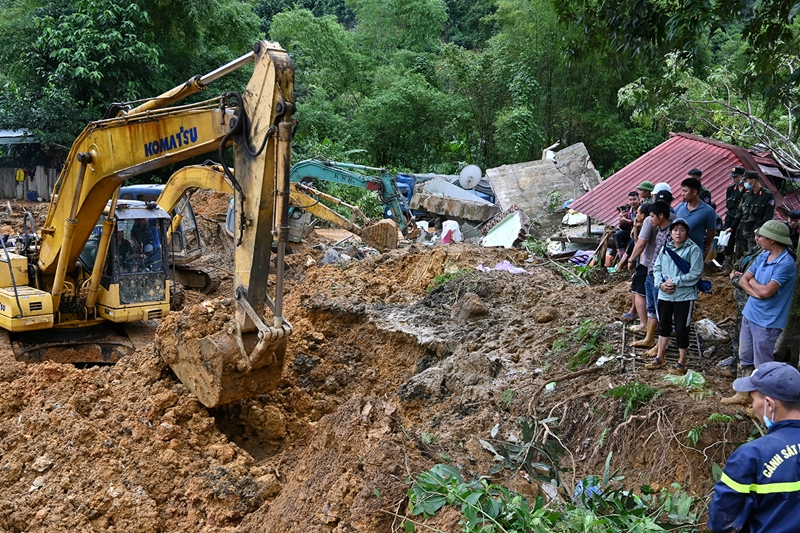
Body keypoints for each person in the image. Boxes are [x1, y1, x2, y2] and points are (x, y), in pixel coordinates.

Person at [708, 362, 800, 533]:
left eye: (752, 399)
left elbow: (723, 523)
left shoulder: (751, 457)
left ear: (769, 404)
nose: (751, 407)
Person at [722, 220, 797, 404]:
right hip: (750, 313)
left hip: (768, 322)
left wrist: (754, 286)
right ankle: (743, 394)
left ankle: (764, 403)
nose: (758, 239)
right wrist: (757, 288)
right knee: (745, 357)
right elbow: (744, 280)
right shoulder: (764, 256)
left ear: (772, 239)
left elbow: (765, 291)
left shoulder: (785, 264)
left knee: (763, 365)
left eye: (761, 236)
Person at [645, 218, 703, 374]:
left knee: (681, 328)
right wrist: (660, 284)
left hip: (684, 296)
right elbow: (656, 268)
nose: (678, 233)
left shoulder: (693, 250)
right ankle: (660, 357)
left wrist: (675, 282)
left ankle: (681, 361)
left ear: (687, 233)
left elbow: (695, 274)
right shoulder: (666, 248)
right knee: (663, 326)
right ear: (670, 233)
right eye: (675, 230)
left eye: (682, 230)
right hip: (665, 295)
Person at [628, 201, 673, 349]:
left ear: (661, 216)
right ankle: (649, 338)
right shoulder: (660, 229)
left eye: (652, 216)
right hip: (651, 271)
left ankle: (660, 346)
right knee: (652, 308)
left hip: (661, 276)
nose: (650, 219)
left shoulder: (672, 232)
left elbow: (667, 258)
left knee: (661, 311)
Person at [734, 170, 775, 262]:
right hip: (742, 229)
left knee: (752, 256)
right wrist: (732, 227)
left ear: (752, 181)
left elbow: (768, 217)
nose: (744, 183)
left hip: (755, 232)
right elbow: (739, 212)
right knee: (739, 255)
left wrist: (757, 231)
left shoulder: (767, 195)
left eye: (745, 180)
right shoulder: (746, 194)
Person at [676, 177, 716, 256]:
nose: (682, 194)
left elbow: (711, 232)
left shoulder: (708, 211)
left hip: (694, 253)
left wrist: (706, 246)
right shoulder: (679, 207)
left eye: (685, 191)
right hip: (677, 251)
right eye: (682, 191)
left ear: (694, 192)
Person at [608, 191, 640, 265]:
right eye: (630, 200)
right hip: (630, 230)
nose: (632, 202)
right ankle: (621, 256)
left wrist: (626, 220)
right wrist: (622, 220)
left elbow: (638, 223)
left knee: (633, 240)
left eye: (634, 199)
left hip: (638, 231)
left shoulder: (641, 209)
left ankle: (628, 259)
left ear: (639, 199)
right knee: (618, 235)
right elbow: (623, 227)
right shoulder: (629, 211)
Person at [722, 166, 746, 260]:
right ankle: (727, 264)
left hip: (742, 220)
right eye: (732, 177)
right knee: (728, 241)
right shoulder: (731, 189)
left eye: (736, 177)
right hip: (730, 218)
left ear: (742, 176)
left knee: (741, 242)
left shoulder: (748, 190)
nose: (733, 179)